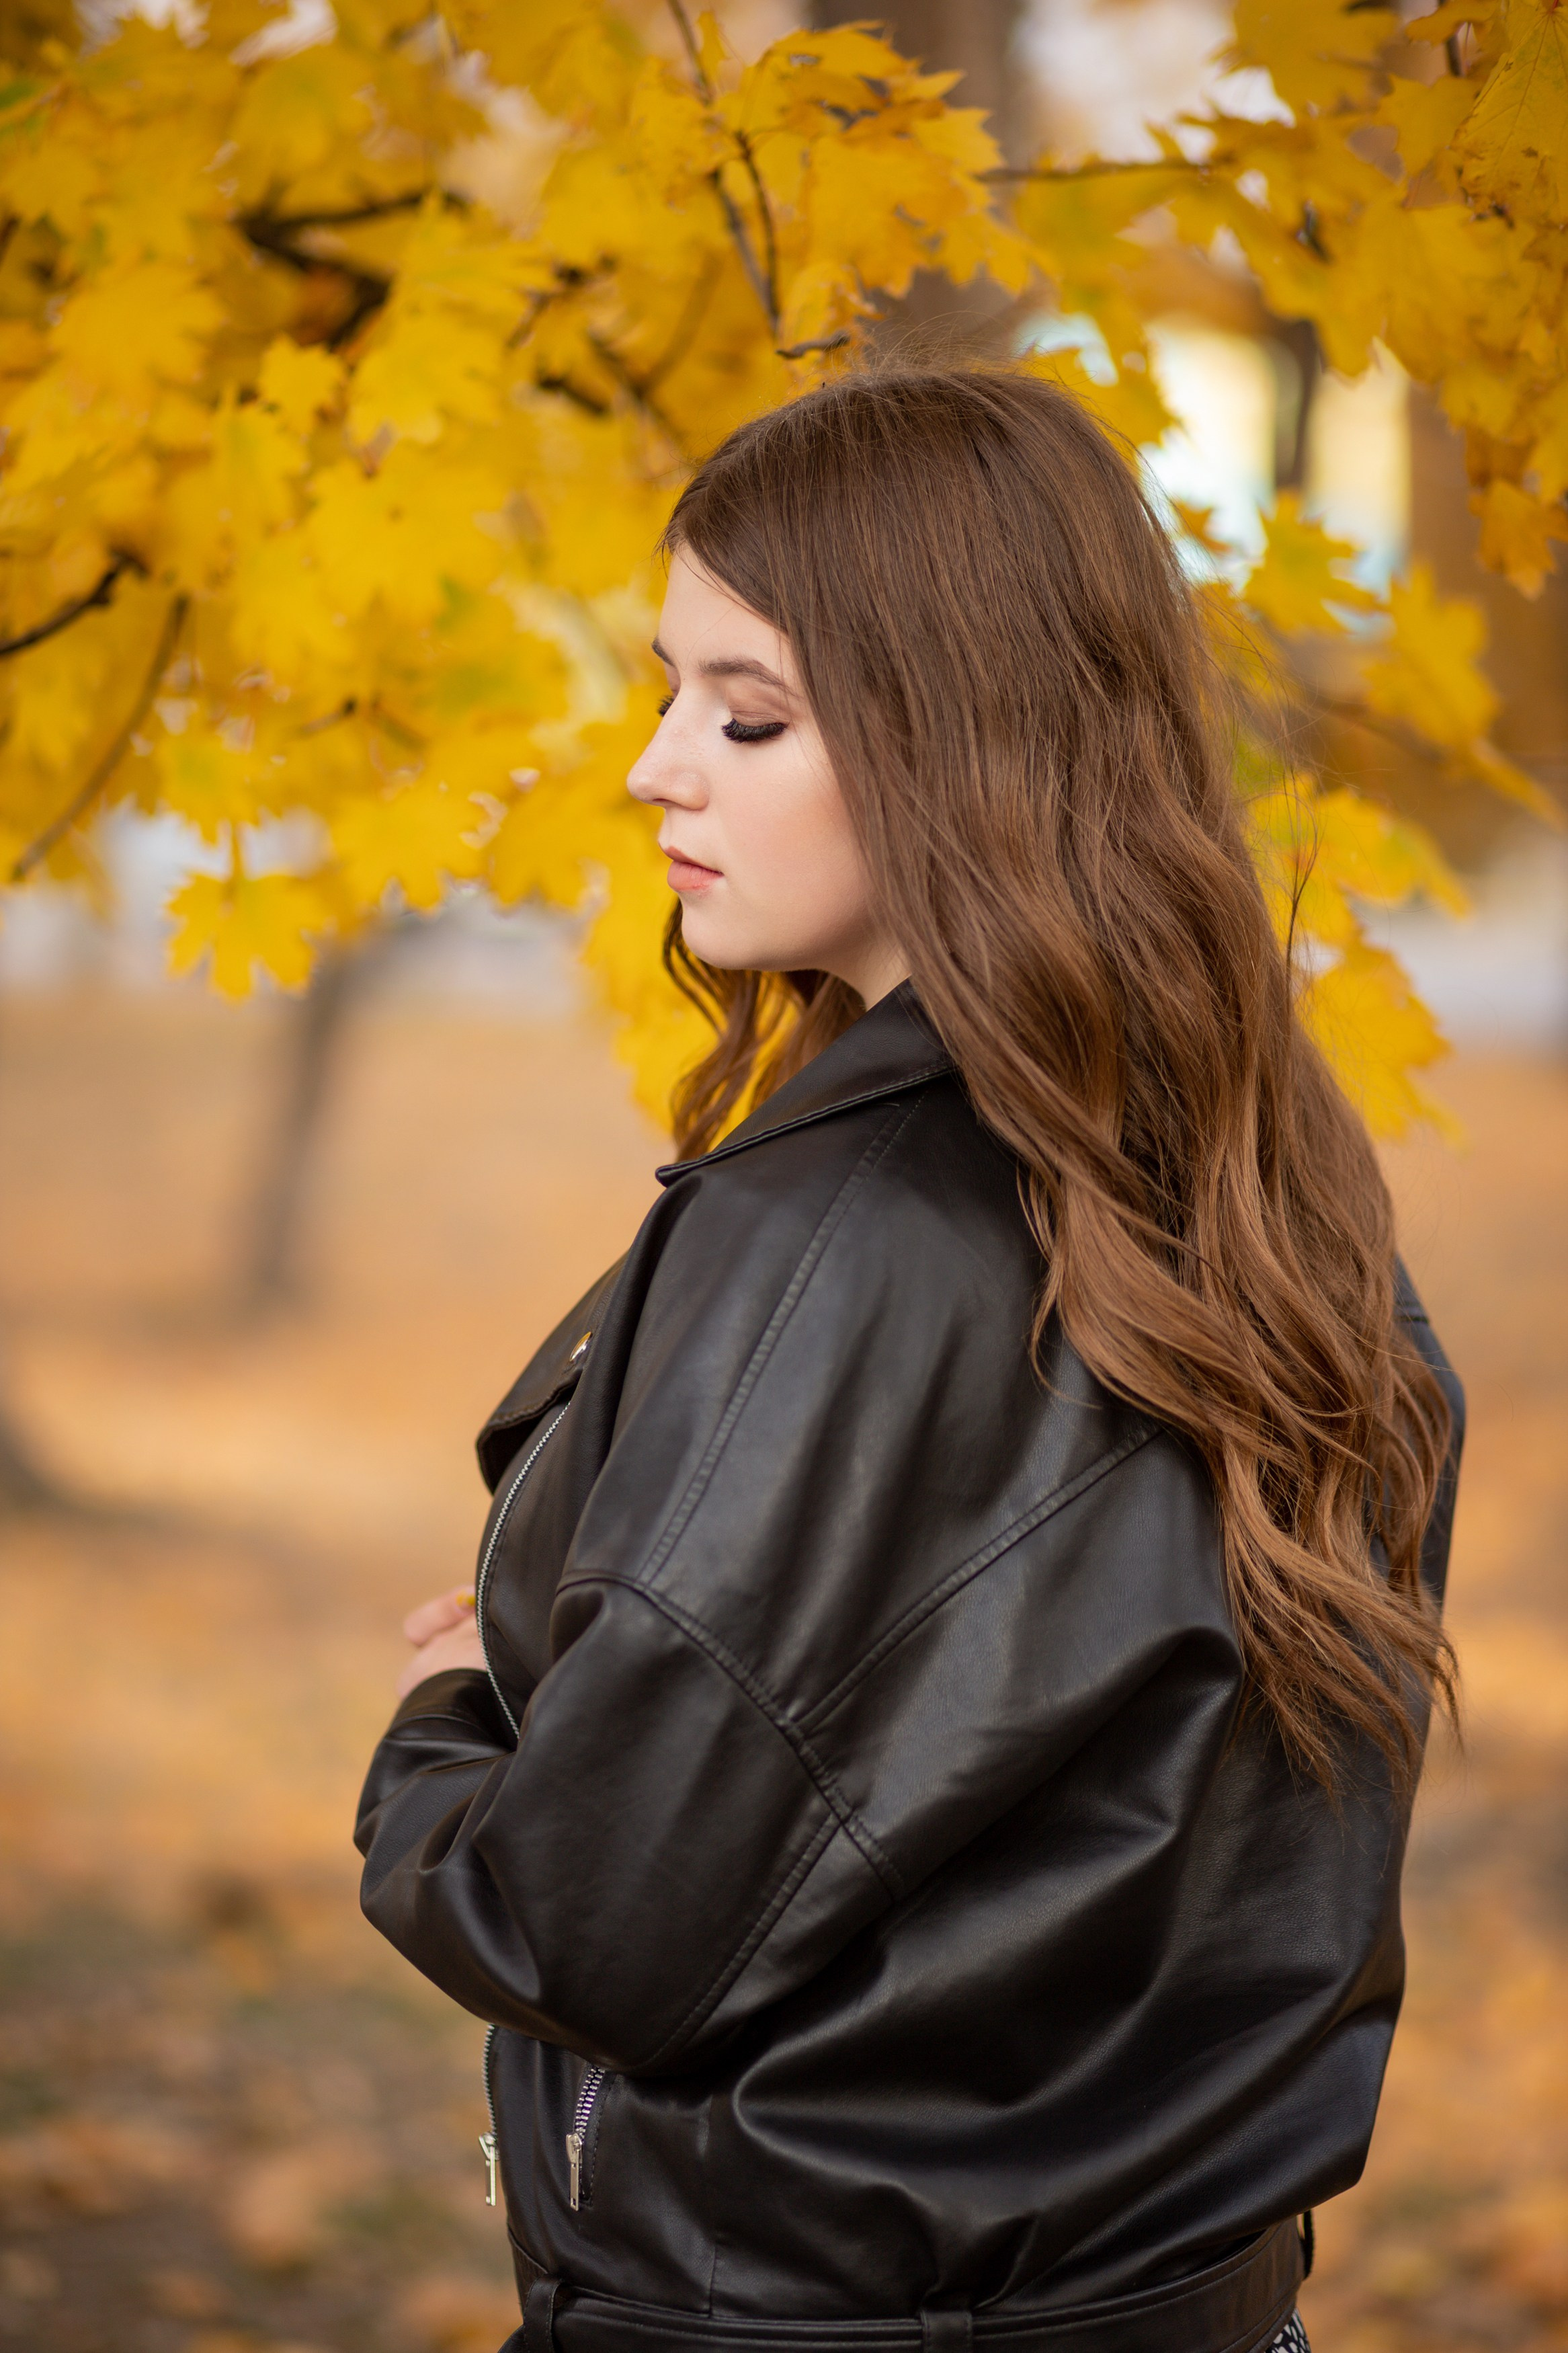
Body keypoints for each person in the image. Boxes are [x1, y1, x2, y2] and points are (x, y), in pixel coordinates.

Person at [356, 368, 1462, 2353]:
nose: (654, 768)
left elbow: (586, 1916)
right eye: (671, 691)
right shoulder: (1249, 1145)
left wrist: (446, 1726)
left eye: (746, 713)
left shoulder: (840, 1235)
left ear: (967, 732)